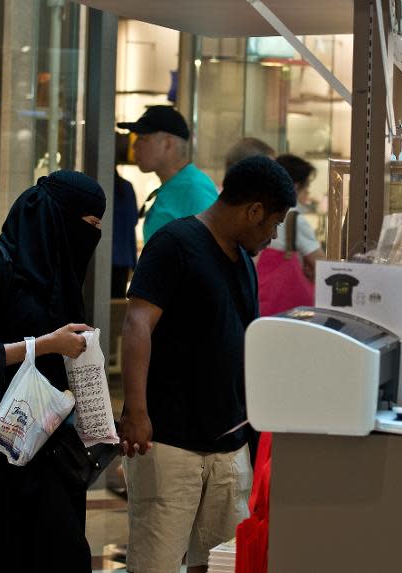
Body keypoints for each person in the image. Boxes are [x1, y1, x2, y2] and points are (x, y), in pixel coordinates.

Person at [118, 156, 296, 573]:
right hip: (169, 442)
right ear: (253, 211)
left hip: (228, 446)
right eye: (273, 223)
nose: (273, 236)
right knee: (156, 564)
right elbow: (137, 322)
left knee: (220, 563)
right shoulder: (174, 244)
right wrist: (138, 412)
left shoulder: (242, 262)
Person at [0, 171, 106, 573]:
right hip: (2, 442)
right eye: (87, 227)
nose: (91, 237)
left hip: (53, 443)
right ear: (58, 221)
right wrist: (44, 345)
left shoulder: (61, 272)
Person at [117, 105, 218, 243]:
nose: (134, 146)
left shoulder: (195, 191)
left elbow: (215, 252)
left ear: (168, 144)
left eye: (142, 138)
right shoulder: (172, 186)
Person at [256, 153, 325, 316]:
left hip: (263, 300)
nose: (307, 192)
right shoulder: (294, 219)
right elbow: (322, 265)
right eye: (306, 186)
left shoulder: (261, 211)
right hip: (289, 308)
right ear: (295, 186)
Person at [111, 168, 138, 298]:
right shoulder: (127, 187)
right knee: (115, 308)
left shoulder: (94, 188)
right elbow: (133, 219)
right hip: (123, 257)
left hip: (98, 257)